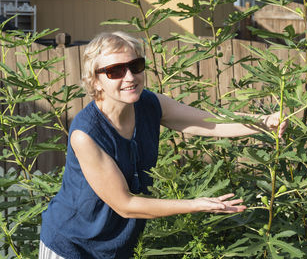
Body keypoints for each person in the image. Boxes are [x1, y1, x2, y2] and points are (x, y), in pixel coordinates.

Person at [39, 31, 287, 259]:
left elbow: (210, 123)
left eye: (135, 66)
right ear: (95, 81)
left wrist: (264, 122)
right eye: (115, 71)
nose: (129, 77)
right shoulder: (87, 134)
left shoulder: (149, 104)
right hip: (71, 245)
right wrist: (195, 205)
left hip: (114, 247)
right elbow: (125, 205)